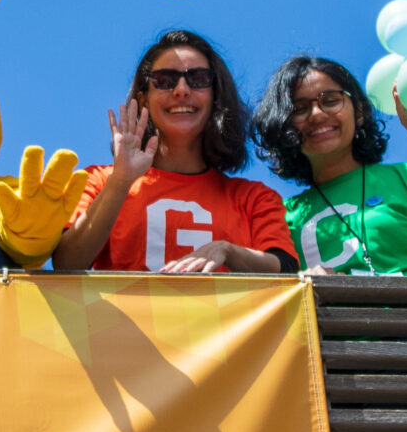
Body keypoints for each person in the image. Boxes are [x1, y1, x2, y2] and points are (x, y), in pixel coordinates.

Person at [54, 31, 296, 273]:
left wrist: (228, 251)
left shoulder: (254, 199)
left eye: (199, 78)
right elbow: (65, 264)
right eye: (164, 79)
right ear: (144, 99)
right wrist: (120, 182)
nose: (181, 90)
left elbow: (285, 269)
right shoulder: (97, 181)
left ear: (216, 96)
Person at [252, 55, 407, 276]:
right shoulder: (279, 218)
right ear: (284, 127)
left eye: (331, 100)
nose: (316, 113)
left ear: (358, 112)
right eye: (299, 109)